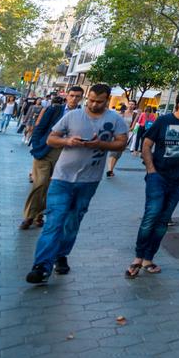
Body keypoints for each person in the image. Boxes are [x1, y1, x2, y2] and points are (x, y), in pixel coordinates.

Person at [25, 84, 129, 284]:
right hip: (62, 178)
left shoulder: (115, 119)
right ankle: (41, 266)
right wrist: (68, 141)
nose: (93, 104)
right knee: (54, 220)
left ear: (107, 100)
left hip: (89, 181)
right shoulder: (72, 116)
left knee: (73, 221)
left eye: (99, 101)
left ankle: (61, 254)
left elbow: (121, 144)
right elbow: (51, 139)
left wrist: (100, 144)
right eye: (90, 100)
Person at [127, 89, 179, 277]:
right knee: (151, 215)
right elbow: (146, 144)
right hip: (158, 176)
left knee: (163, 220)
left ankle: (149, 258)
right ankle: (138, 258)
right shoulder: (164, 121)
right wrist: (151, 170)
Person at [20, 88, 83, 229]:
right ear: (67, 96)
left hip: (66, 154)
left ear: (81, 98)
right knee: (40, 183)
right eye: (71, 95)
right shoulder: (55, 110)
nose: (73, 99)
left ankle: (39, 215)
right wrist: (36, 145)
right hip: (45, 151)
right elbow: (40, 127)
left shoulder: (82, 115)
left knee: (50, 187)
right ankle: (29, 216)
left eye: (77, 96)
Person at [106, 99, 138, 178]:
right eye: (129, 104)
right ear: (128, 104)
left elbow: (133, 127)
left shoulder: (135, 115)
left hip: (125, 135)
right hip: (117, 134)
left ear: (135, 106)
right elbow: (116, 123)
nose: (130, 106)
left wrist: (125, 132)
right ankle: (109, 170)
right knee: (113, 152)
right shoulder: (121, 113)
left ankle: (111, 170)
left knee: (118, 153)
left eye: (132, 104)